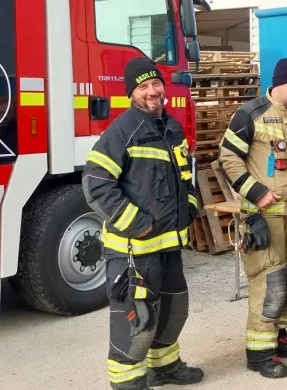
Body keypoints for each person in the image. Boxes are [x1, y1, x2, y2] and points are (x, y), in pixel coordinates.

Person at [81, 57, 204, 390]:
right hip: (134, 251)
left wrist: (190, 207)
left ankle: (164, 368)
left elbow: (185, 177)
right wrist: (136, 223)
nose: (152, 92)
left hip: (168, 247)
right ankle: (128, 382)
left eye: (156, 84)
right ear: (131, 94)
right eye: (143, 87)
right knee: (136, 321)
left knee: (173, 310)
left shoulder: (172, 127)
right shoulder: (122, 131)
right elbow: (95, 181)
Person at [218, 58, 287, 379]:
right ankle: (259, 353)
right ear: (278, 83)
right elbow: (228, 156)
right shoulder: (251, 113)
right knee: (268, 282)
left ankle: (277, 334)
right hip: (262, 216)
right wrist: (257, 192)